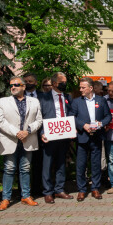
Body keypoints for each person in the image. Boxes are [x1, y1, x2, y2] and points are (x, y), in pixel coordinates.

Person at [0, 76, 43, 211]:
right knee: (9, 168)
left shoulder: (34, 101)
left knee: (26, 168)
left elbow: (39, 120)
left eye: (16, 85)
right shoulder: (2, 102)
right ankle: (6, 198)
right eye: (11, 85)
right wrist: (17, 132)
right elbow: (0, 121)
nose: (13, 87)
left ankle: (26, 196)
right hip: (10, 139)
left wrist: (27, 131)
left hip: (28, 139)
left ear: (23, 86)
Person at [72, 77, 112, 202]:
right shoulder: (76, 101)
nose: (80, 89)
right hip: (82, 137)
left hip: (97, 136)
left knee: (96, 164)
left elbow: (108, 116)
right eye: (80, 87)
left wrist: (101, 124)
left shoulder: (101, 100)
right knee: (81, 165)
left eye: (83, 87)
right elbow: (72, 116)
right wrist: (83, 125)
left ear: (91, 88)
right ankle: (82, 190)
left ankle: (95, 188)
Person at [38, 72, 74, 204]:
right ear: (54, 84)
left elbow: (71, 113)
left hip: (64, 136)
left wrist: (72, 127)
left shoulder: (68, 97)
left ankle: (59, 189)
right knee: (47, 165)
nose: (64, 84)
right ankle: (48, 192)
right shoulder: (43, 97)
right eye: (61, 82)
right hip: (49, 136)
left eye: (65, 81)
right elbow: (39, 117)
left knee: (61, 163)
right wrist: (42, 132)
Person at [23, 72, 43, 196]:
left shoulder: (44, 96)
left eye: (30, 81)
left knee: (38, 163)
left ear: (36, 82)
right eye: (25, 81)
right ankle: (23, 191)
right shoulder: (18, 96)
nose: (28, 83)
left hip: (41, 135)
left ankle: (36, 189)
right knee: (23, 165)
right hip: (24, 135)